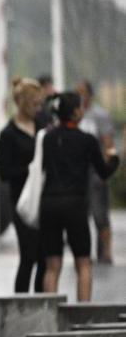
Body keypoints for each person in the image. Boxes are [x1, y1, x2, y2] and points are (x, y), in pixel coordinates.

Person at [40, 92, 120, 301]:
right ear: (75, 112)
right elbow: (103, 171)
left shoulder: (48, 138)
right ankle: (82, 313)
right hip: (74, 204)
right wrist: (114, 159)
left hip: (49, 203)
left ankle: (48, 313)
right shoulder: (86, 140)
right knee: (83, 263)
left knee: (52, 265)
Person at [0, 78, 46, 293]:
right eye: (35, 104)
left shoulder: (43, 126)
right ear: (23, 103)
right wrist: (31, 168)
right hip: (22, 200)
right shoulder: (8, 135)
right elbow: (4, 172)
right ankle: (22, 300)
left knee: (45, 256)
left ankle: (42, 298)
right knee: (28, 255)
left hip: (45, 197)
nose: (39, 108)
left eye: (40, 104)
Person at [76, 79, 117, 264]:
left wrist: (105, 170)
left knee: (100, 214)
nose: (80, 96)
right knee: (79, 215)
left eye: (82, 92)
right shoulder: (73, 115)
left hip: (95, 170)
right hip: (77, 172)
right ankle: (83, 252)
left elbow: (108, 143)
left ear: (90, 95)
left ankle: (105, 251)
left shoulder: (99, 115)